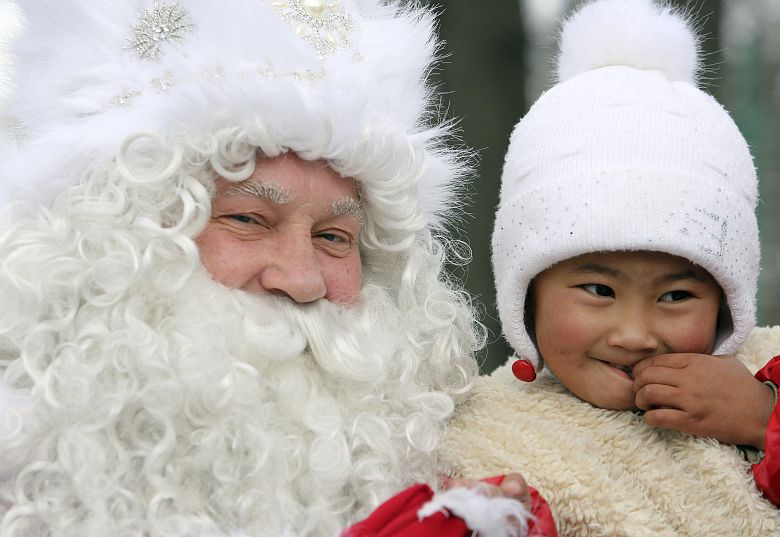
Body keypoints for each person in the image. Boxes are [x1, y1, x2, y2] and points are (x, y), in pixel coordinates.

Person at [0, 1, 539, 535]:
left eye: (333, 237)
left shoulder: (472, 461)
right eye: (249, 220)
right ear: (114, 242)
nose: (302, 280)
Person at [441, 0, 780, 535]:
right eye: (597, 289)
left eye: (676, 296)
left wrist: (766, 419)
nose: (635, 335)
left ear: (727, 300)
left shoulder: (775, 373)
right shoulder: (487, 435)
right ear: (528, 292)